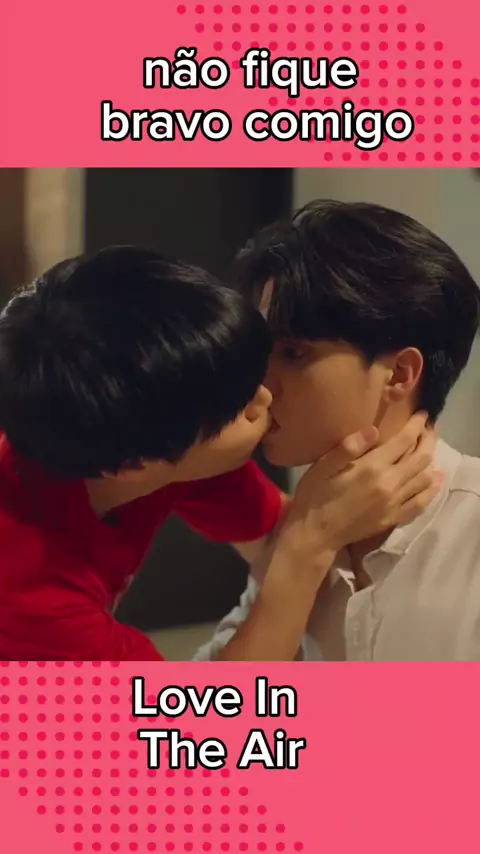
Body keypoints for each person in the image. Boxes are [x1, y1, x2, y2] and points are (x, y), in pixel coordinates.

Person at [0, 245, 438, 661]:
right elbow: (194, 711)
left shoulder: (158, 436)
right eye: (234, 408)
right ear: (133, 466)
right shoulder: (31, 597)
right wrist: (310, 539)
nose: (264, 397)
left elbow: (267, 532)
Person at [195, 199, 480, 662]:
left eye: (293, 354)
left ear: (399, 374)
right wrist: (303, 547)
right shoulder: (306, 528)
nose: (260, 386)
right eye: (260, 354)